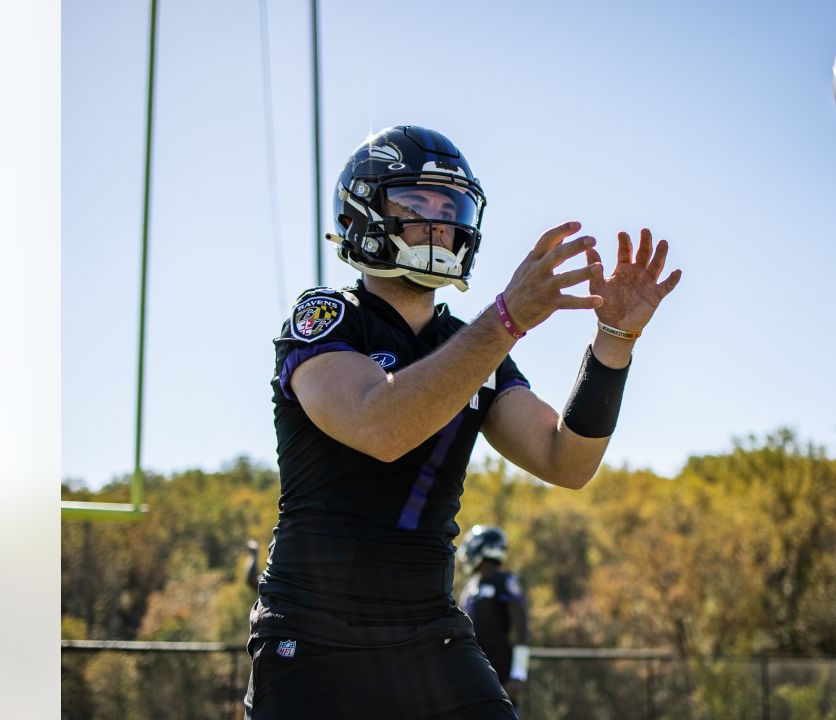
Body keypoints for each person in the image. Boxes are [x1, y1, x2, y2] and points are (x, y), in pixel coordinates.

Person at [244, 125, 681, 720]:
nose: (438, 224)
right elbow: (382, 429)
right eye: (417, 203)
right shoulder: (328, 317)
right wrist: (505, 320)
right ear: (362, 213)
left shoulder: (472, 345)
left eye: (450, 209)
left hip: (428, 633)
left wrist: (614, 343)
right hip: (316, 635)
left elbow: (567, 460)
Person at [458, 526, 530, 707]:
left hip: (501, 675)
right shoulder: (469, 587)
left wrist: (518, 675)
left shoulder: (505, 581)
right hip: (471, 674)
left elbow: (522, 629)